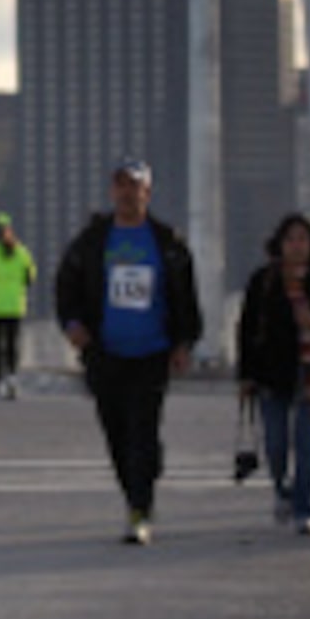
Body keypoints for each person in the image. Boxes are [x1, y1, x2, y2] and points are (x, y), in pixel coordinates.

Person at [53, 159, 204, 547]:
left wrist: (184, 342)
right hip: (105, 352)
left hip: (152, 351)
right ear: (111, 191)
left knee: (142, 428)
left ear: (147, 192)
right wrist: (72, 325)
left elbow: (186, 295)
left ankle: (139, 508)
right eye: (120, 186)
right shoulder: (92, 240)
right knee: (117, 432)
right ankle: (140, 479)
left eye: (134, 186)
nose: (127, 193)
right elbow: (65, 284)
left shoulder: (167, 241)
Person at [235, 214, 310, 537]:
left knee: (308, 445)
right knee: (275, 443)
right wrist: (246, 375)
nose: (296, 246)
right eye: (290, 239)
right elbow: (246, 330)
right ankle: (282, 489)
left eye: (303, 239)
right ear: (279, 244)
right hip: (272, 375)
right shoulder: (263, 281)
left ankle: (304, 508)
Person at [0, 216, 38, 400]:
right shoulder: (22, 251)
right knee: (12, 344)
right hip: (15, 304)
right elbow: (30, 277)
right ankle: (12, 378)